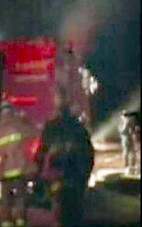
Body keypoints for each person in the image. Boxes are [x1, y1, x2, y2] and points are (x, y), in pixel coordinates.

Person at [36, 86, 94, 227]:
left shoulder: (51, 127)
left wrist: (39, 175)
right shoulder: (78, 128)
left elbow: (41, 153)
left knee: (58, 210)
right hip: (75, 178)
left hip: (58, 176)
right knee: (75, 213)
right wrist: (84, 177)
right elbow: (88, 154)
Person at [0, 101, 39, 227]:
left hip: (4, 171)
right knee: (20, 197)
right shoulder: (18, 124)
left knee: (5, 199)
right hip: (20, 169)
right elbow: (34, 133)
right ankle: (20, 220)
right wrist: (27, 121)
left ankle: (6, 221)